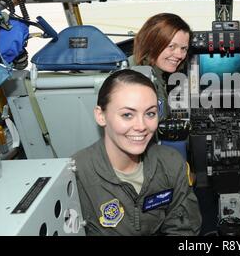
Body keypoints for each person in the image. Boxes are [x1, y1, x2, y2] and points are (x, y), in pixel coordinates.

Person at [73, 69, 202, 235]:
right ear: (101, 116)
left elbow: (183, 228)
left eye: (150, 113)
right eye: (127, 115)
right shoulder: (76, 174)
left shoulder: (170, 163)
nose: (141, 126)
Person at [131, 13, 191, 121]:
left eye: (184, 48)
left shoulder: (153, 74)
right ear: (151, 44)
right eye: (171, 46)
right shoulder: (137, 78)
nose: (179, 55)